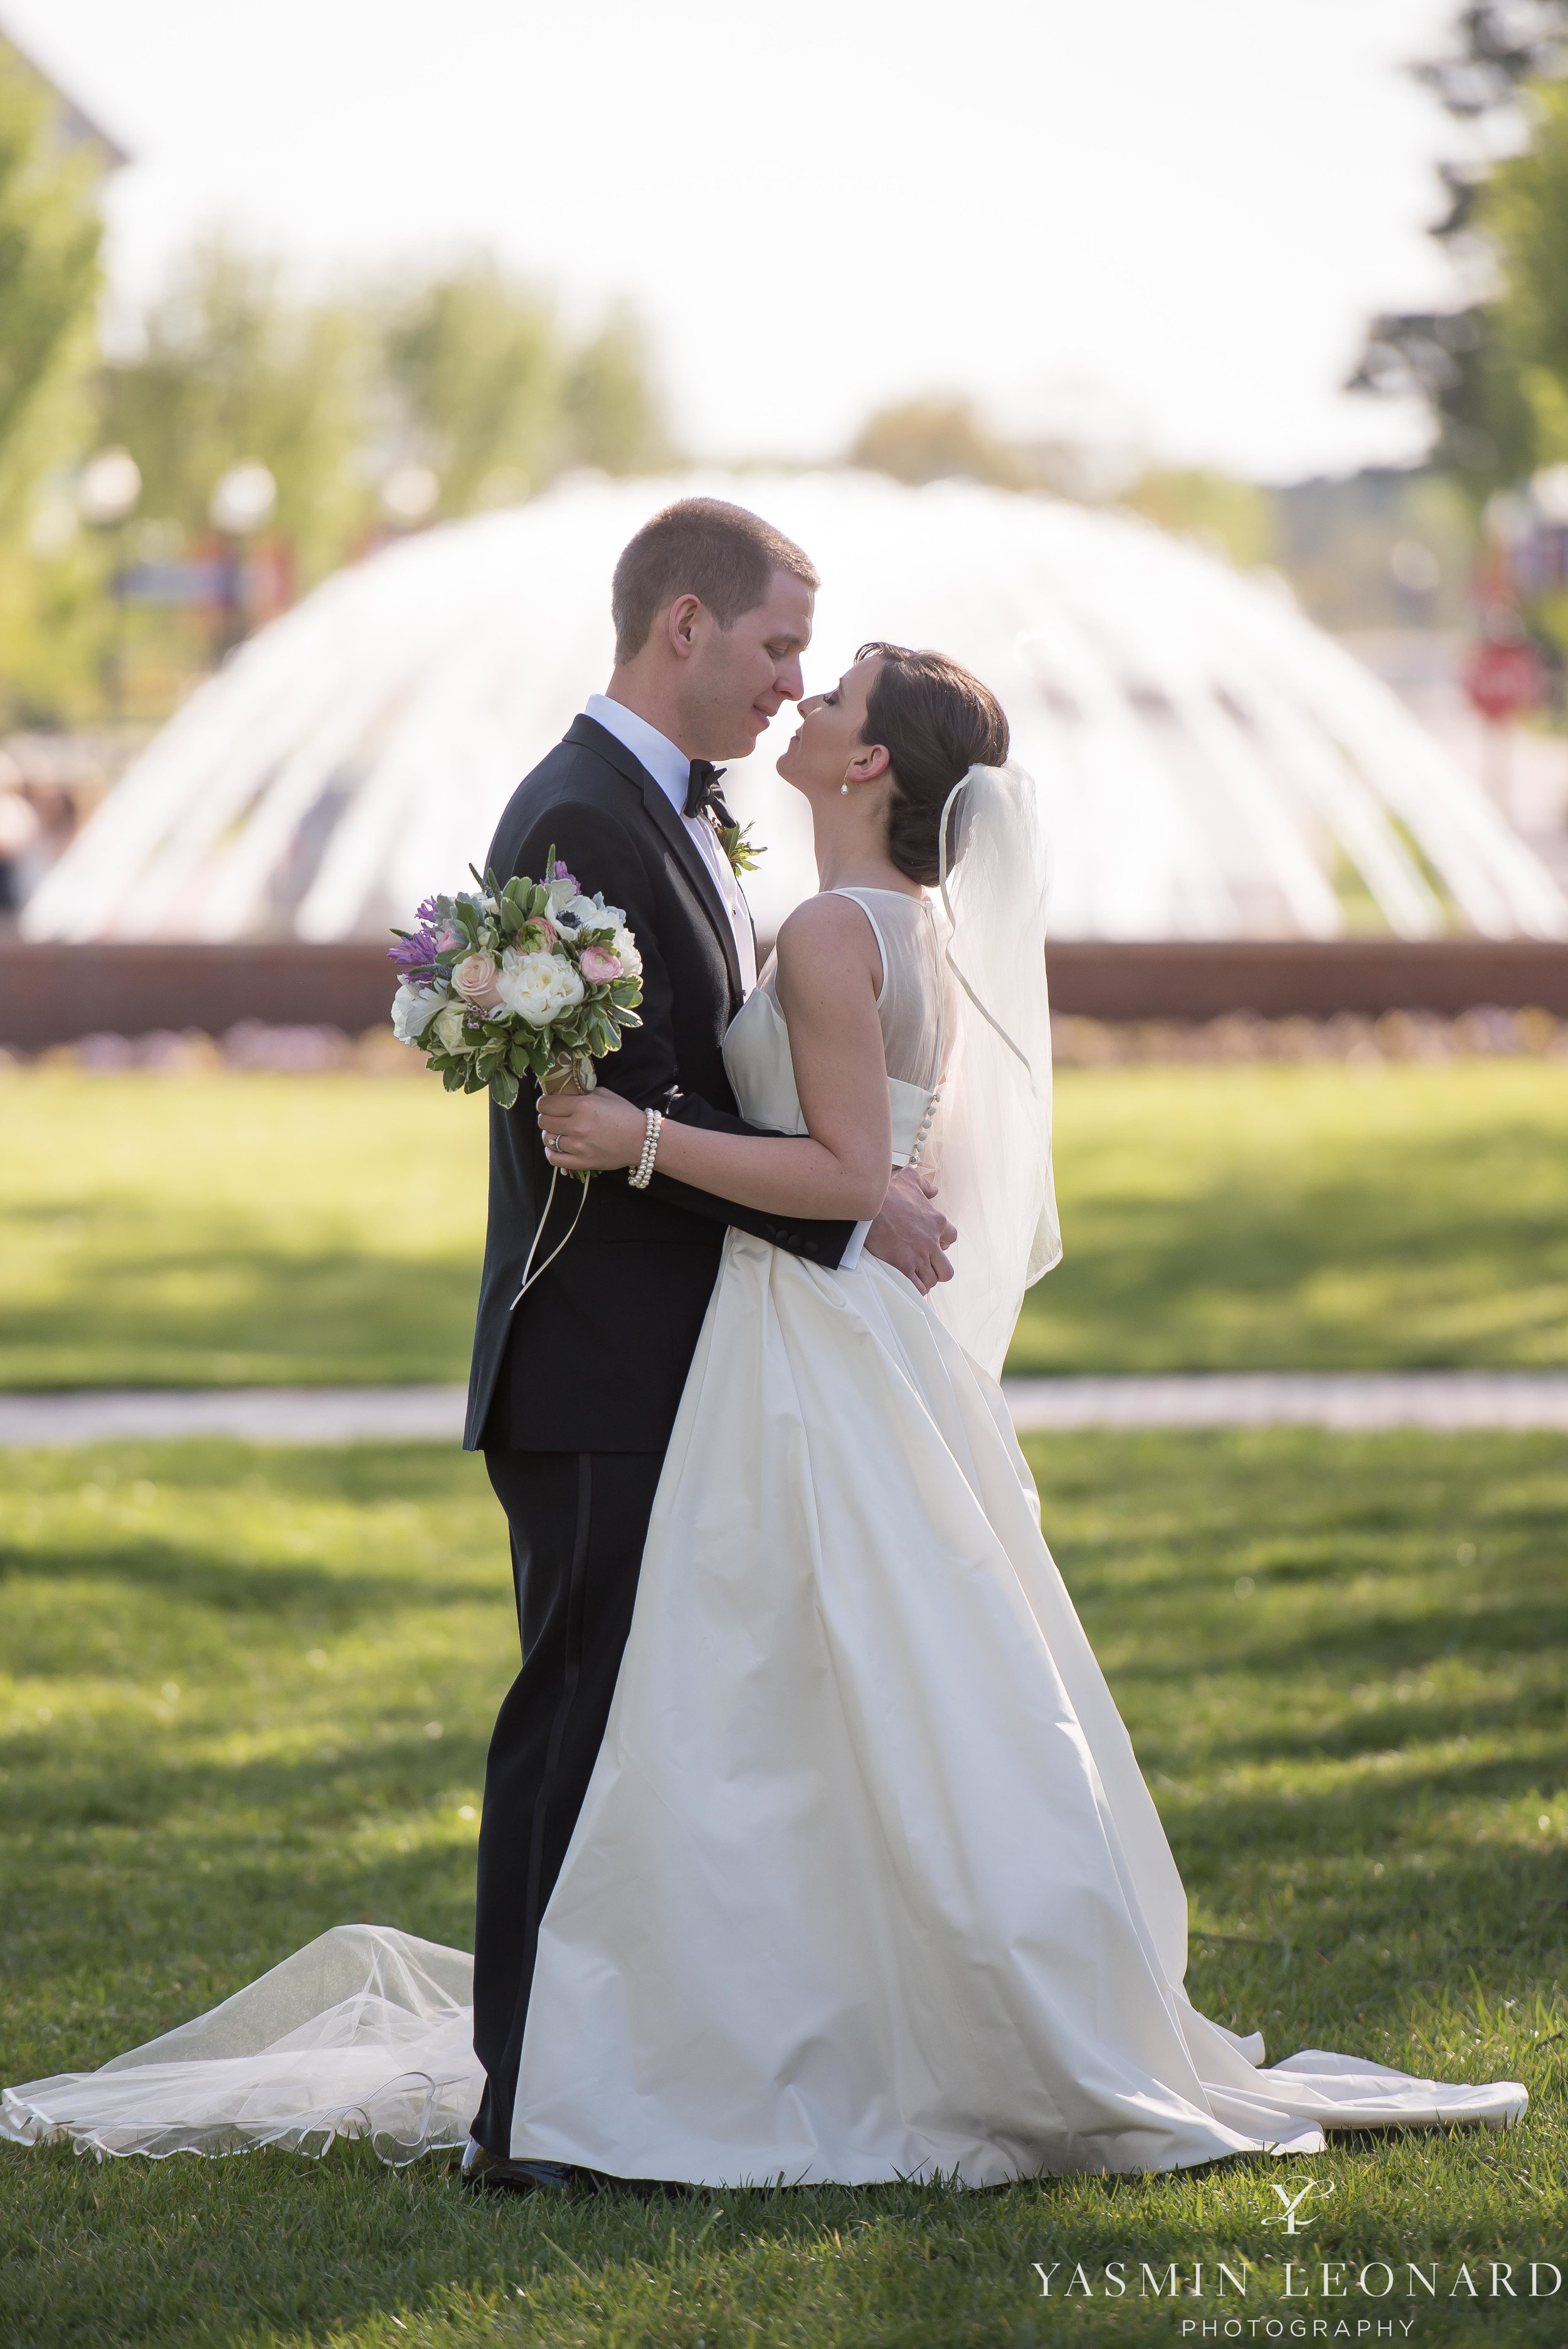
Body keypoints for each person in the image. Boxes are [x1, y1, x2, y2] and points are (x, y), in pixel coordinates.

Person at [2, 628, 1525, 2182]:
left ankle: (752, 2033)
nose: (802, 695)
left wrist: (635, 1138)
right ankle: (814, 2002)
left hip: (805, 1335)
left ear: (868, 764)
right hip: (837, 1330)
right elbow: (878, 1166)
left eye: (835, 689)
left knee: (778, 1683)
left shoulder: (826, 932)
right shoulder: (897, 921)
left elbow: (849, 1173)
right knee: (849, 1687)